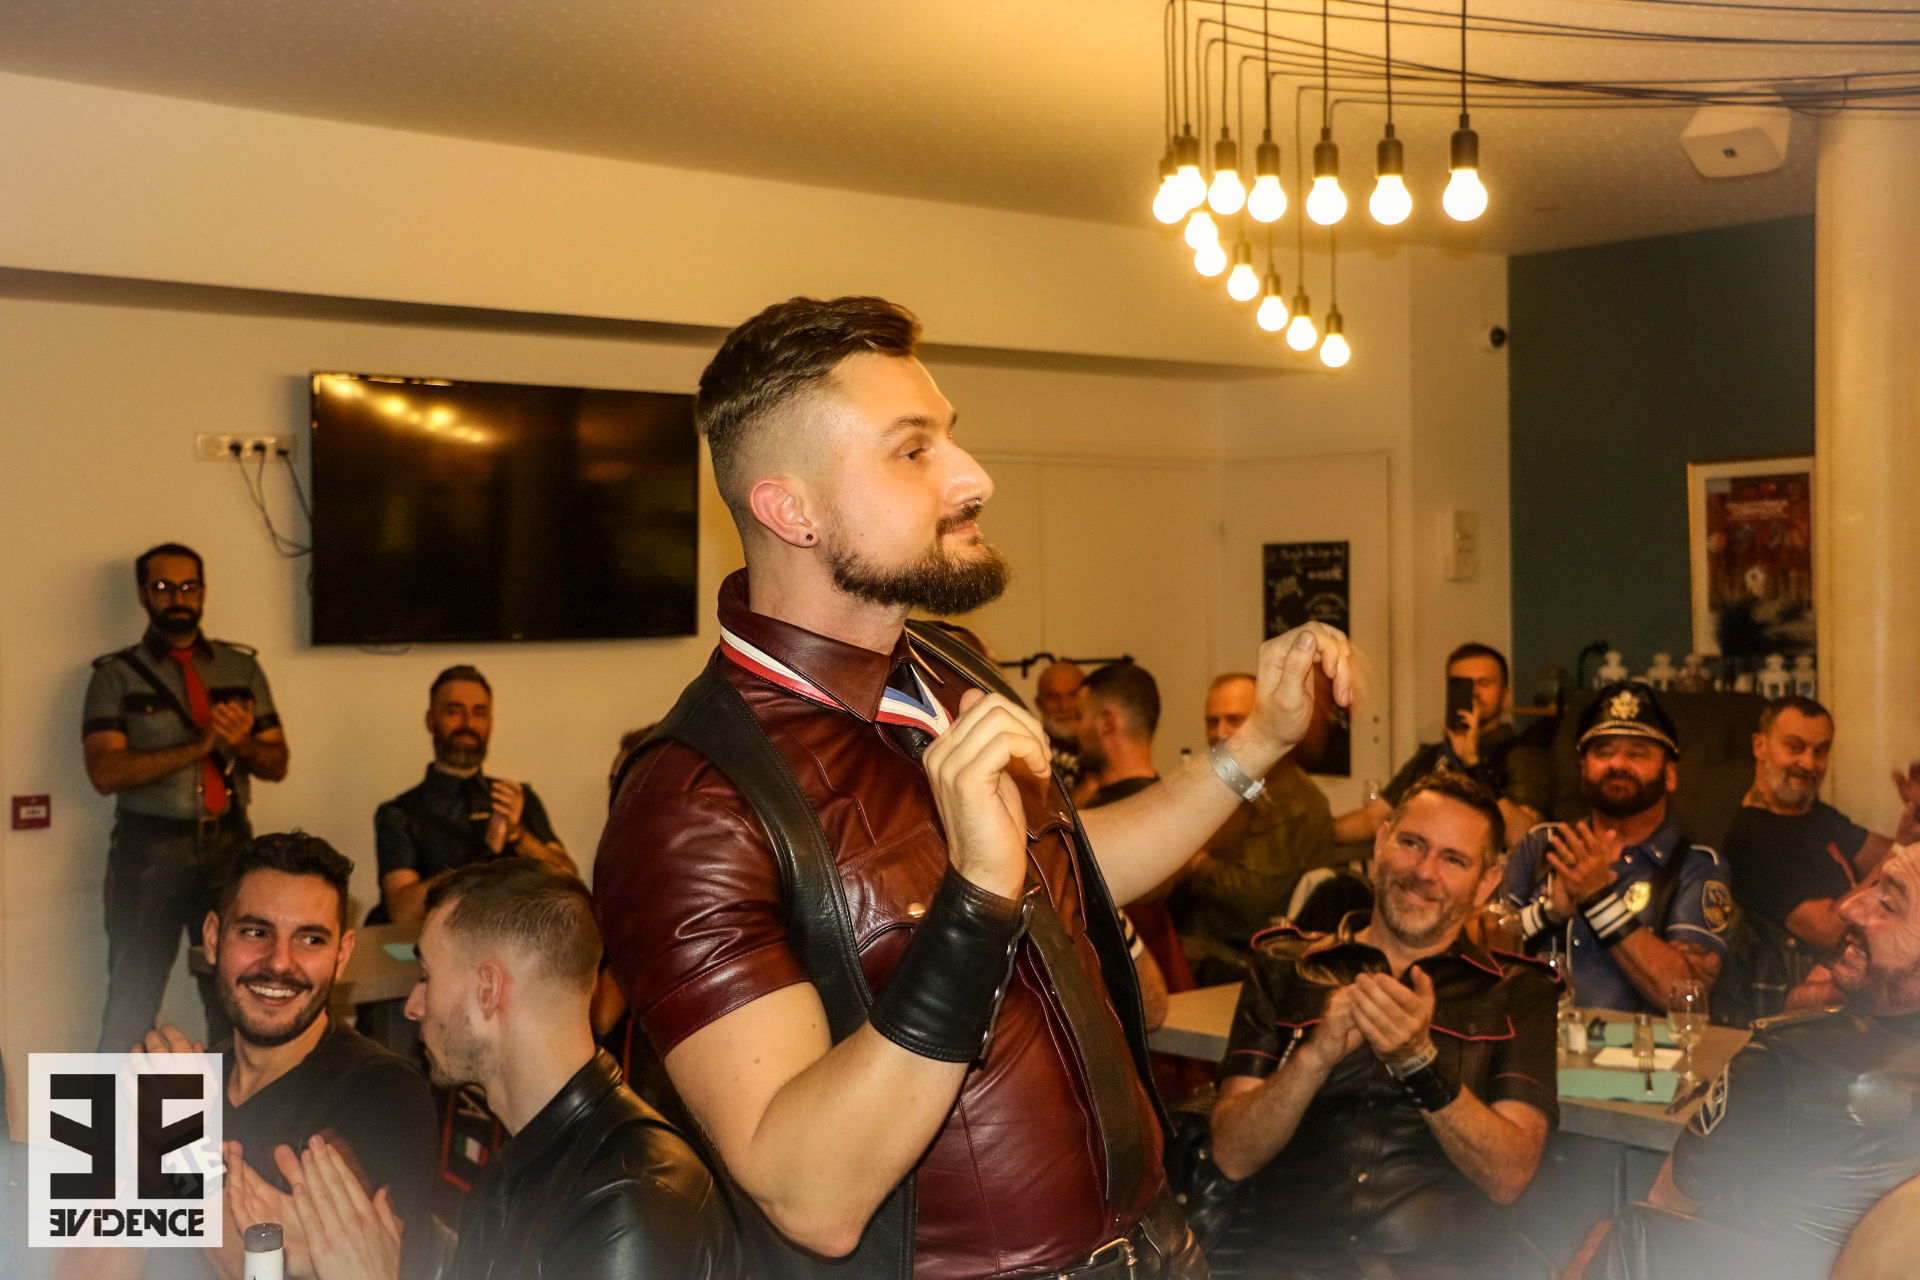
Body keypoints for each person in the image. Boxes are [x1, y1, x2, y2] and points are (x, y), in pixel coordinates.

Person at [596, 294, 1352, 1279]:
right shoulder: (692, 800)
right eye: (914, 450)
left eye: (950, 437)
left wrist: (1259, 743)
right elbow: (808, 1193)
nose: (972, 476)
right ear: (791, 510)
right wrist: (975, 899)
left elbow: (1073, 863)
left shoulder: (952, 668)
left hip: (1160, 1247)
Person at [1209, 773, 1557, 1280]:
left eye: (1453, 859)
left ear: (1485, 883)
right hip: (1292, 1268)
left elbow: (1510, 1175)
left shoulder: (1519, 992)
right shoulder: (1286, 966)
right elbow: (1232, 1155)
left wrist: (1419, 1063)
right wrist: (1315, 1056)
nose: (1423, 872)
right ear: (1380, 844)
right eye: (1411, 843)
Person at [54, 833, 437, 1280]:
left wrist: (182, 1149)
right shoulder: (178, 1082)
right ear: (213, 938)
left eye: (310, 940)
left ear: (342, 955)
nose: (279, 963)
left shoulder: (385, 1095)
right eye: (256, 932)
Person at [1574, 841, 1920, 1280]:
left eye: (1888, 905)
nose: (1850, 907)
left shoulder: (1781, 1060)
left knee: (1603, 1232)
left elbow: (1666, 1204)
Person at [83, 543, 290, 1053]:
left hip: (231, 847)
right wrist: (198, 747)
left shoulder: (241, 668)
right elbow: (105, 772)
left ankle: (232, 1106)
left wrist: (242, 744)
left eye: (188, 586)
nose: (177, 598)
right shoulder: (115, 675)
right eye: (163, 587)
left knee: (236, 998)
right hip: (149, 852)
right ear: (142, 594)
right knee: (131, 999)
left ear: (202, 591)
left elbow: (276, 763)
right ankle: (106, 1110)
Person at [1501, 682, 1731, 1012]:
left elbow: (1685, 997)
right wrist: (1548, 912)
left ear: (1670, 775)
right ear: (1582, 769)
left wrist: (1598, 900)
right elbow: (1481, 955)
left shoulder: (1696, 866)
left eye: (1637, 754)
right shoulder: (1541, 846)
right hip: (1536, 1039)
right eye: (1603, 752)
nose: (1617, 764)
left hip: (1642, 1044)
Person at [1173, 671, 1339, 986]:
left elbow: (1251, 897)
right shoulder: (1233, 780)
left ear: (1265, 720)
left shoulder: (1288, 796)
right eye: (1212, 721)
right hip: (1203, 944)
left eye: (1234, 720)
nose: (1220, 732)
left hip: (1246, 963)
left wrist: (1193, 861)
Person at [1722, 695, 1920, 950]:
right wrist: (1900, 848)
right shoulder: (1751, 842)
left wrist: (1916, 814)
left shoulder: (1817, 815)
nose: (1808, 763)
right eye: (1795, 747)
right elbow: (1827, 932)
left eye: (1820, 750)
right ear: (1760, 746)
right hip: (1816, 972)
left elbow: (1895, 858)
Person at [1333, 642, 1549, 848]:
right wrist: (1319, 829)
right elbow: (1373, 819)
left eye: (1484, 683)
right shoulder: (1431, 755)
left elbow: (1523, 838)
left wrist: (1473, 764)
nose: (1474, 692)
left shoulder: (1523, 756)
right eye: (1462, 685)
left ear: (1505, 696)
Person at [1036, 659, 1088, 793]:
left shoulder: (1109, 745)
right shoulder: (1029, 751)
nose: (1064, 707)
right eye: (1053, 698)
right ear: (1039, 703)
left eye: (1073, 695)